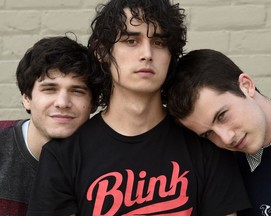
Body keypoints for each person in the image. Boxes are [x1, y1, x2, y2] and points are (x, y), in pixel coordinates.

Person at [27, 1, 251, 215]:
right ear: (102, 51)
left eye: (159, 43)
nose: (147, 54)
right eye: (131, 41)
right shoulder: (64, 155)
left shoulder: (205, 147)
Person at [168, 49, 271, 215]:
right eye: (208, 134)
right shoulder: (221, 169)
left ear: (246, 86)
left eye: (222, 116)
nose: (226, 138)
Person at [0, 35, 99, 216]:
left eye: (77, 91)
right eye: (49, 89)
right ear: (26, 98)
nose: (62, 103)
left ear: (93, 103)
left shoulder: (108, 163)